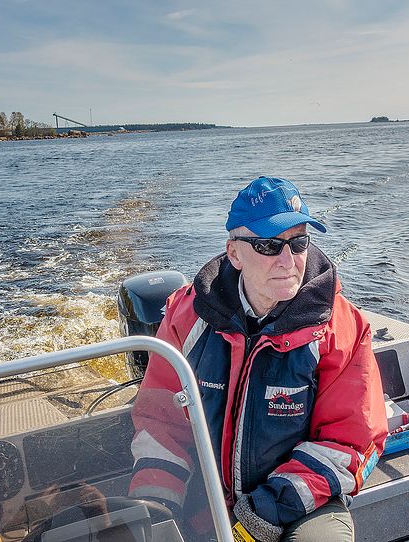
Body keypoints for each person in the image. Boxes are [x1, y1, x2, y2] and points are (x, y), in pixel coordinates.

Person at [128, 176, 388, 541]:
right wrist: (157, 507)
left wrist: (263, 512)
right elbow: (163, 422)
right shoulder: (185, 317)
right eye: (268, 245)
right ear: (234, 253)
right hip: (205, 496)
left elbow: (350, 441)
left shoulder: (342, 327)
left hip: (299, 501)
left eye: (298, 243)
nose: (288, 261)